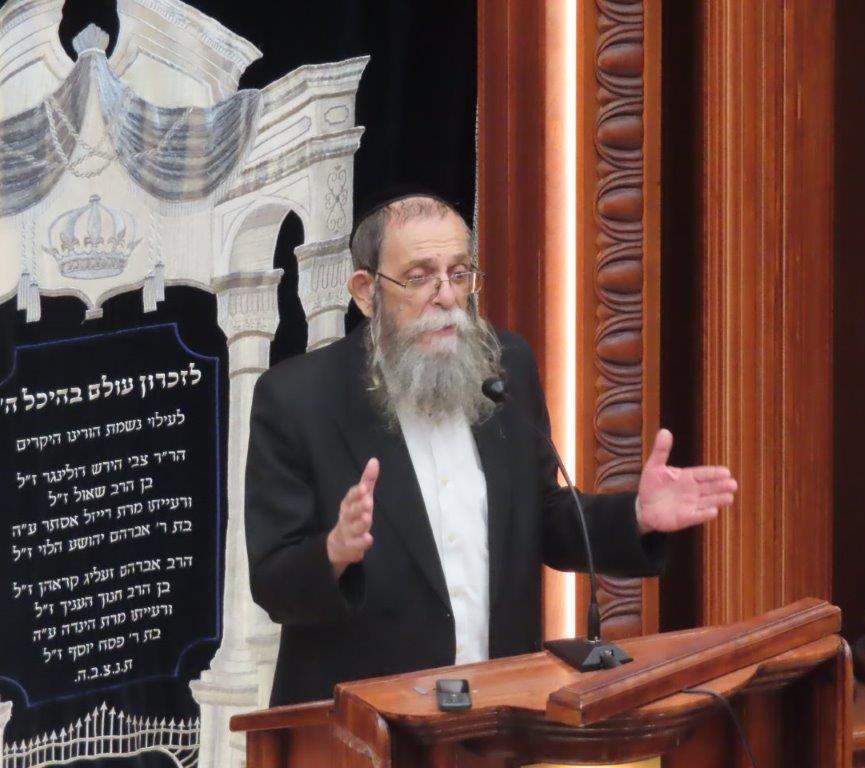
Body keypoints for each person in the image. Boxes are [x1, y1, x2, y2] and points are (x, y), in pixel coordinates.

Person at [244, 193, 737, 706]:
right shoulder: (298, 398)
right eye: (420, 277)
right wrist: (333, 552)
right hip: (361, 722)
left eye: (459, 274)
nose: (447, 296)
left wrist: (635, 516)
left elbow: (542, 517)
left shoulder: (504, 367)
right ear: (366, 292)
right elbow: (272, 581)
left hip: (499, 713)